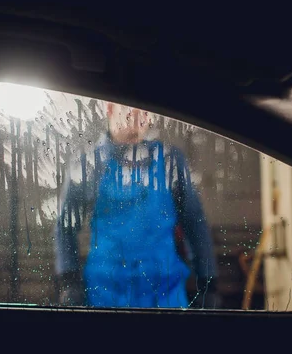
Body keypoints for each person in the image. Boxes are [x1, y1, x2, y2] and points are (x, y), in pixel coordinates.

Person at [54, 102, 218, 309]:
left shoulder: (170, 161)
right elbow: (65, 226)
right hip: (105, 294)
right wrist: (68, 280)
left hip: (165, 293)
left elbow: (195, 222)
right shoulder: (89, 164)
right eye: (133, 108)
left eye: (146, 110)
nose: (141, 116)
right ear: (111, 109)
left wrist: (208, 281)